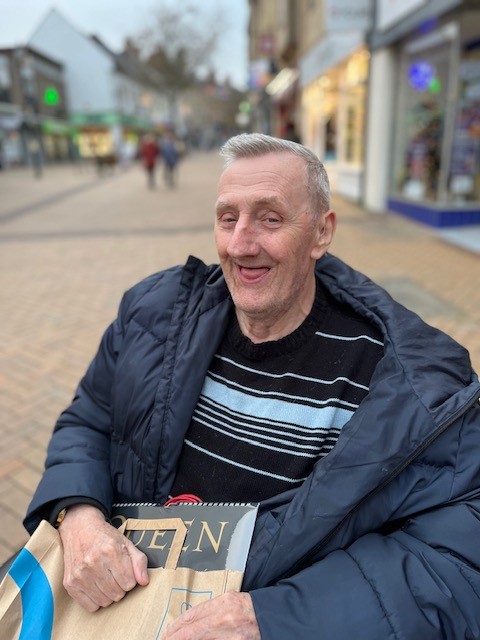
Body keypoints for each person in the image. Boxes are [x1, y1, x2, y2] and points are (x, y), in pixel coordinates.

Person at [24, 133, 480, 639]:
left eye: (270, 218)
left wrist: (278, 619)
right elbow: (89, 419)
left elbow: (457, 561)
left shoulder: (410, 386)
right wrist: (78, 515)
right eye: (228, 218)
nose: (241, 244)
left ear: (322, 232)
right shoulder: (154, 314)